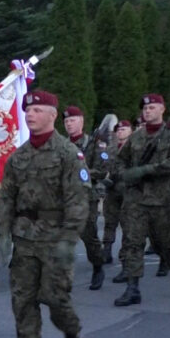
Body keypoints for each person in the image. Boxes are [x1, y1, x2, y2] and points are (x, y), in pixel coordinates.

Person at [0, 90, 87, 338]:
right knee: (22, 300)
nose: (30, 114)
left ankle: (72, 333)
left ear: (52, 115)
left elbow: (78, 200)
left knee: (56, 298)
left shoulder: (67, 153)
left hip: (55, 236)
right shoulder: (18, 156)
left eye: (37, 109)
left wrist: (68, 240)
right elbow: (6, 198)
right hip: (25, 237)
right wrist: (3, 235)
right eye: (28, 110)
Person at [113, 94, 170, 306]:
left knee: (168, 244)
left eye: (152, 107)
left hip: (163, 199)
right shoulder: (135, 137)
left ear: (162, 109)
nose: (148, 111)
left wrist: (146, 170)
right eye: (145, 109)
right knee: (132, 242)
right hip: (136, 199)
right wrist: (124, 174)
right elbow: (119, 160)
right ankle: (132, 288)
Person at [63, 105, 106, 290]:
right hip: (65, 197)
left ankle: (98, 266)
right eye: (65, 121)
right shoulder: (61, 145)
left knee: (89, 236)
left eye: (72, 120)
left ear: (81, 121)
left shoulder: (95, 143)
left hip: (86, 197)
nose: (68, 124)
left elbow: (102, 171)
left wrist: (82, 172)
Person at [104, 120, 133, 281]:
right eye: (119, 129)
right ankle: (107, 250)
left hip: (128, 191)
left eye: (124, 129)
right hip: (112, 190)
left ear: (131, 130)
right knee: (110, 221)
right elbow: (104, 166)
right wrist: (105, 178)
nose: (121, 131)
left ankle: (126, 264)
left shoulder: (135, 147)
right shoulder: (110, 149)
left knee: (128, 227)